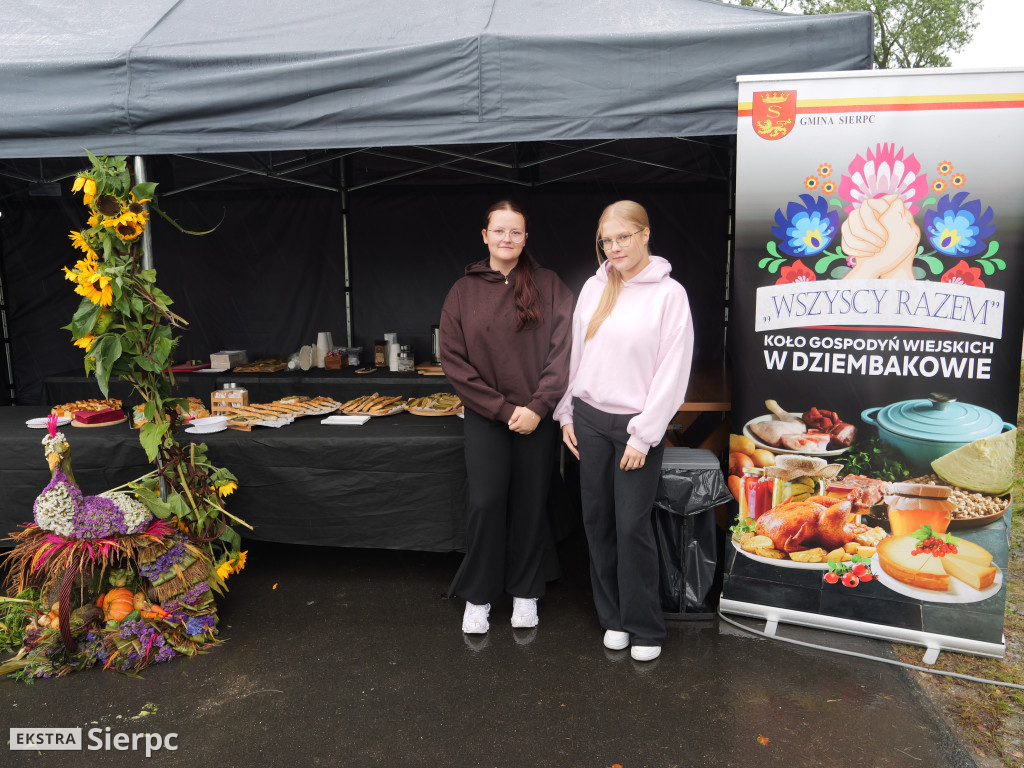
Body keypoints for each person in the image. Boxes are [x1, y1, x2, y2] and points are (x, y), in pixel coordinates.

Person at [553, 200, 694, 662]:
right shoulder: (594, 288)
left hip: (635, 428)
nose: (614, 248)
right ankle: (612, 618)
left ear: (645, 234)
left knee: (633, 526)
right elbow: (578, 356)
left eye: (623, 238)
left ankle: (644, 626)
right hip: (589, 420)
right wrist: (565, 411)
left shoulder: (669, 295)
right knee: (598, 522)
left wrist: (644, 435)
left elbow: (672, 372)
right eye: (607, 241)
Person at [440, 200, 572, 635]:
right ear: (485, 236)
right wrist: (500, 408)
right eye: (499, 231)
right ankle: (478, 596)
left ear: (525, 238)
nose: (507, 239)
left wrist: (538, 407)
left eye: (516, 232)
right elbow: (454, 361)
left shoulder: (549, 284)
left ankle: (525, 592)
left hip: (537, 417)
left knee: (531, 504)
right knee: (486, 502)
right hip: (486, 416)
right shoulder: (462, 292)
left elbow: (564, 351)